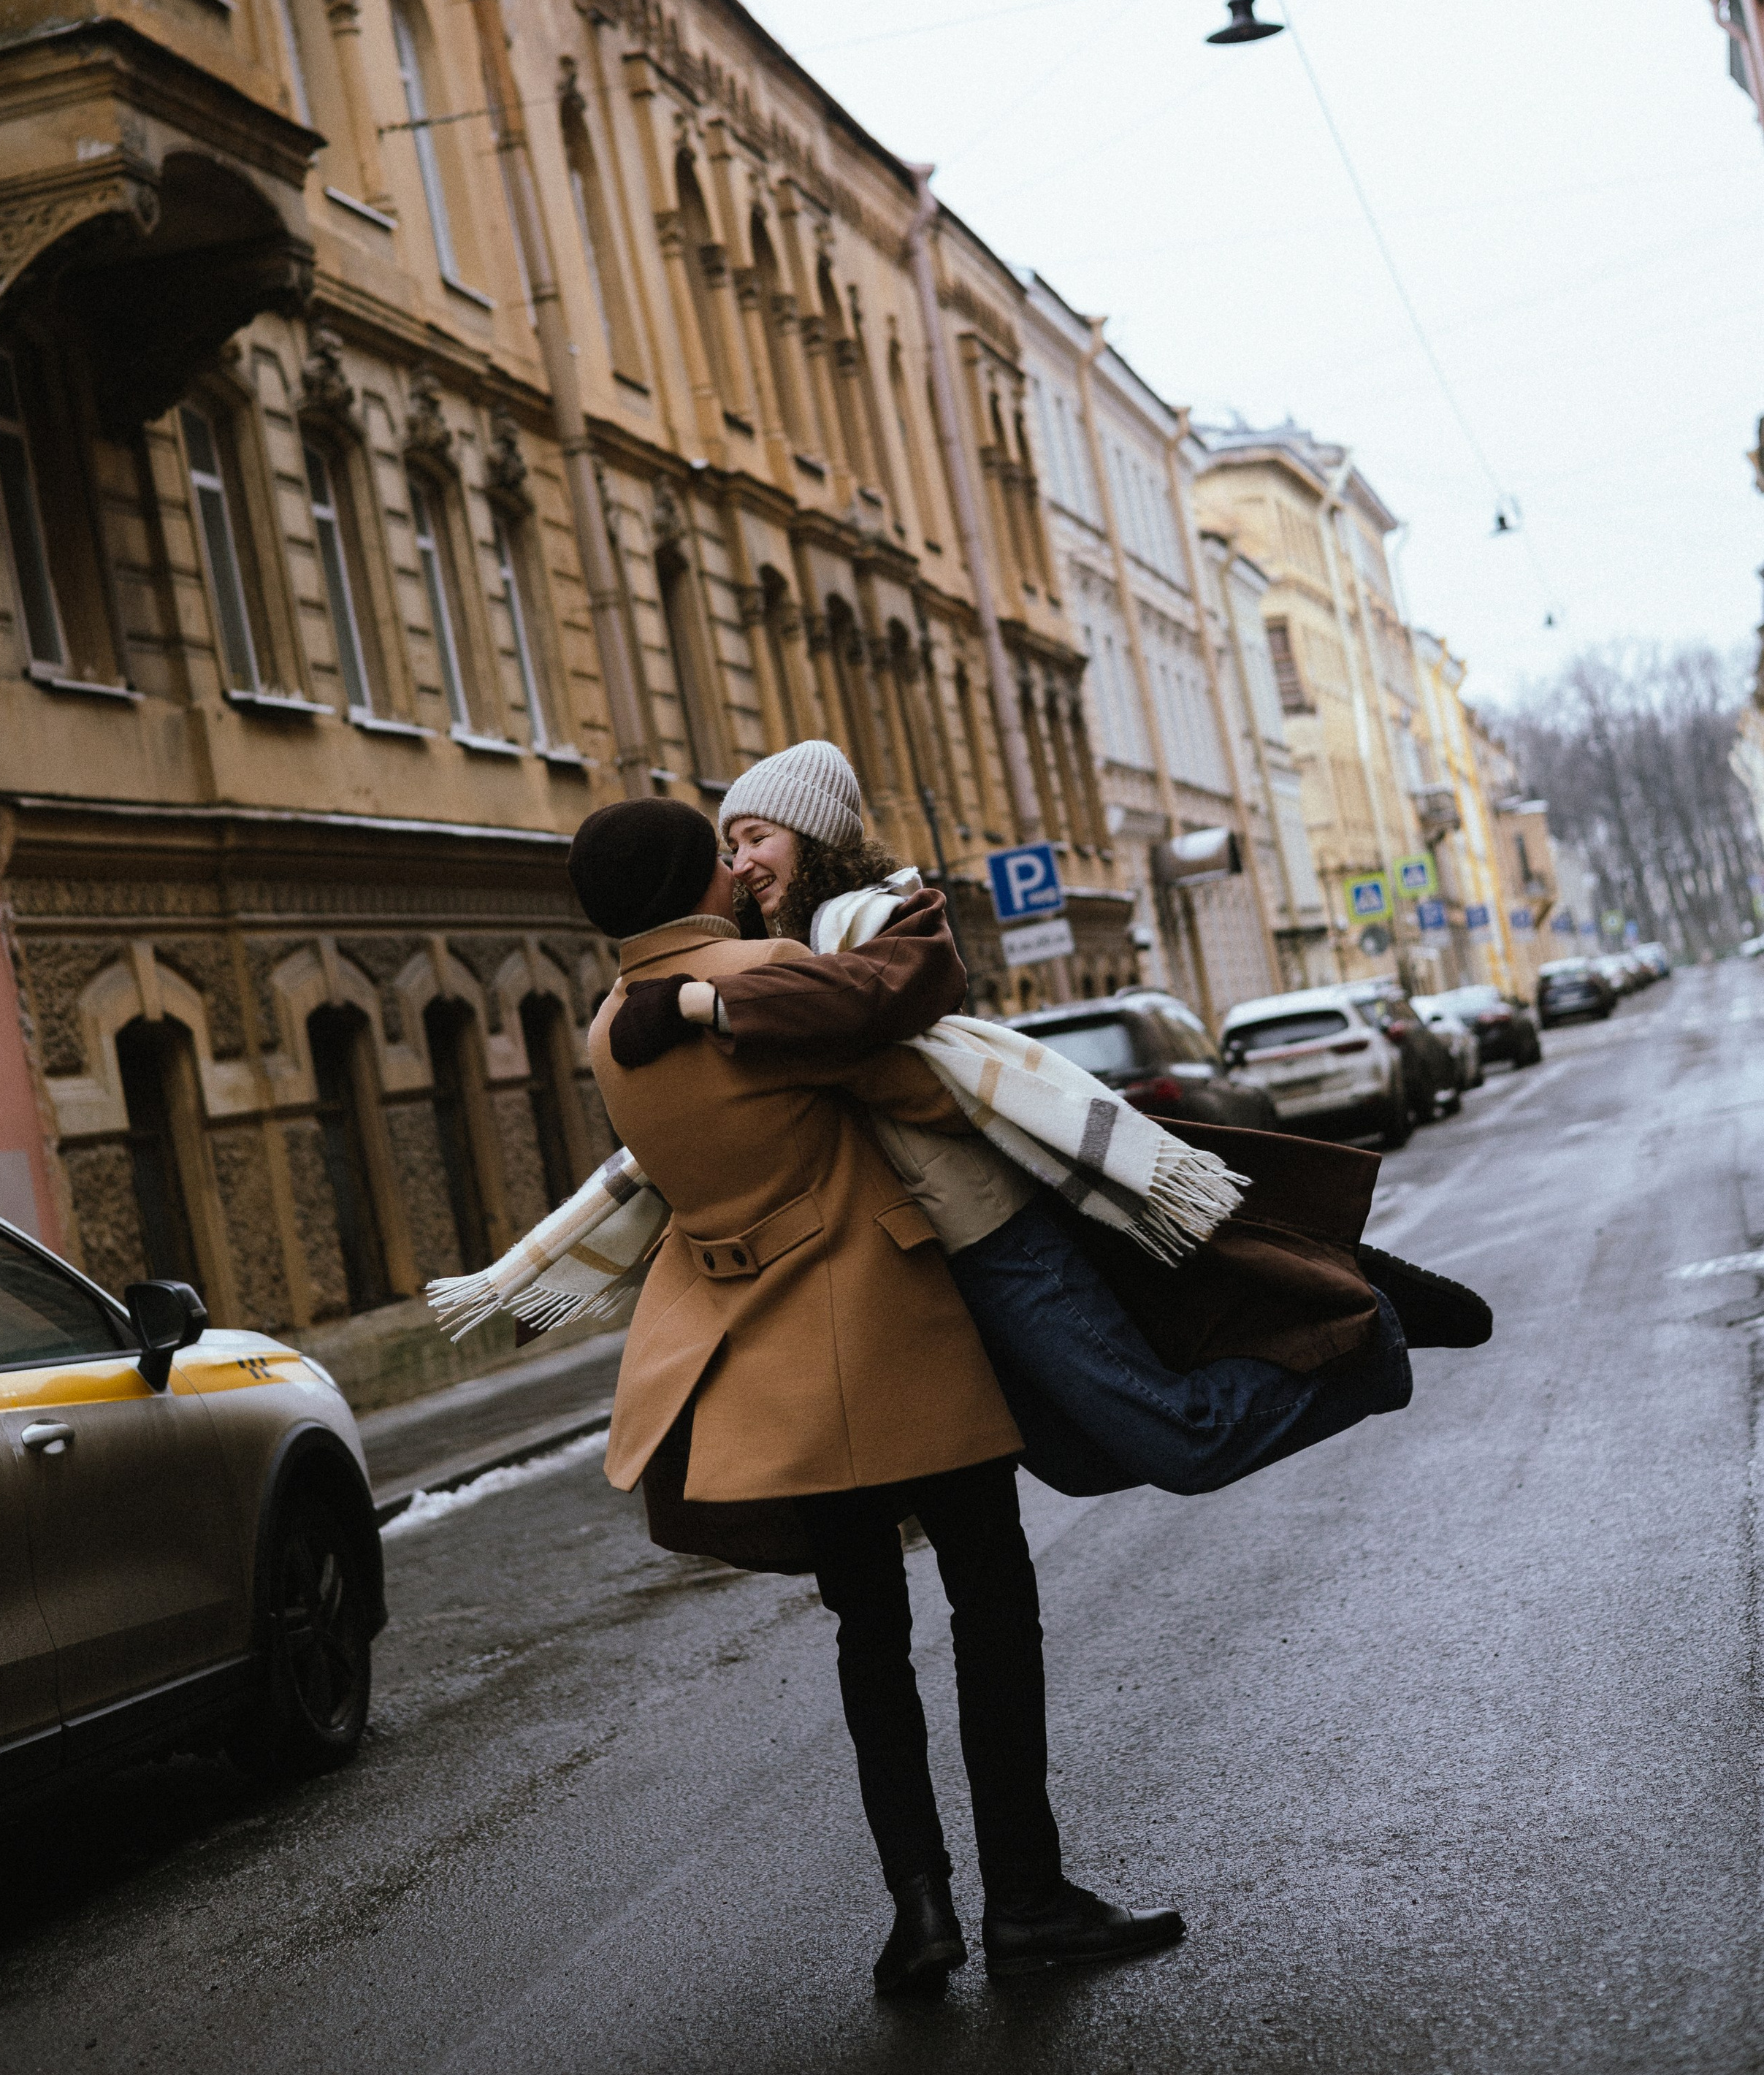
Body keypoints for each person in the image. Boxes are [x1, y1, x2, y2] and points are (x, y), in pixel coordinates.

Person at [568, 790, 1185, 1997]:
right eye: (718, 855)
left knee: (870, 1636)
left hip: (771, 1367)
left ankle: (920, 1909)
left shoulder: (608, 1030)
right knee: (991, 1600)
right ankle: (1027, 1897)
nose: (738, 870)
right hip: (893, 1323)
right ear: (692, 880)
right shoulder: (764, 979)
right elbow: (912, 1073)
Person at [611, 743, 1486, 1513]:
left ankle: (1364, 1341)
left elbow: (875, 996)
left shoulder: (879, 917)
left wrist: (699, 1001)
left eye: (756, 837)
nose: (741, 863)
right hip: (926, 1259)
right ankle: (1336, 1324)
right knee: (1070, 1459)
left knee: (1179, 1442)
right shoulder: (791, 956)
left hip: (996, 1238)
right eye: (728, 848)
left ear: (815, 836)